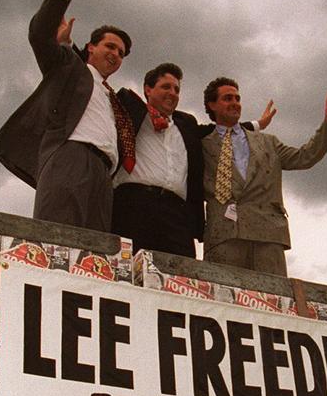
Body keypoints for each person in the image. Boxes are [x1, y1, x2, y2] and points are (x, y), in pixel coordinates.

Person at [0, 0, 135, 232]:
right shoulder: (69, 67)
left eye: (121, 53)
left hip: (104, 175)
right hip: (70, 159)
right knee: (57, 238)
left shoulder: (114, 99)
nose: (115, 54)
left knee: (96, 254)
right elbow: (40, 35)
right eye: (110, 46)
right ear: (90, 48)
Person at [111, 64, 276, 257]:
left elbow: (217, 131)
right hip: (134, 205)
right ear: (148, 89)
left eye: (176, 89)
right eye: (166, 87)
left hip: (177, 213)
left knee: (182, 274)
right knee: (126, 270)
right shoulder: (129, 112)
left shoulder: (185, 124)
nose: (172, 93)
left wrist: (257, 125)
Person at [199, 77, 327, 276]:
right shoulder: (201, 144)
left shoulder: (268, 142)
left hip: (268, 233)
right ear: (211, 105)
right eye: (227, 98)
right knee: (223, 303)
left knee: (271, 301)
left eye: (237, 98)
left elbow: (304, 157)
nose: (235, 103)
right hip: (223, 235)